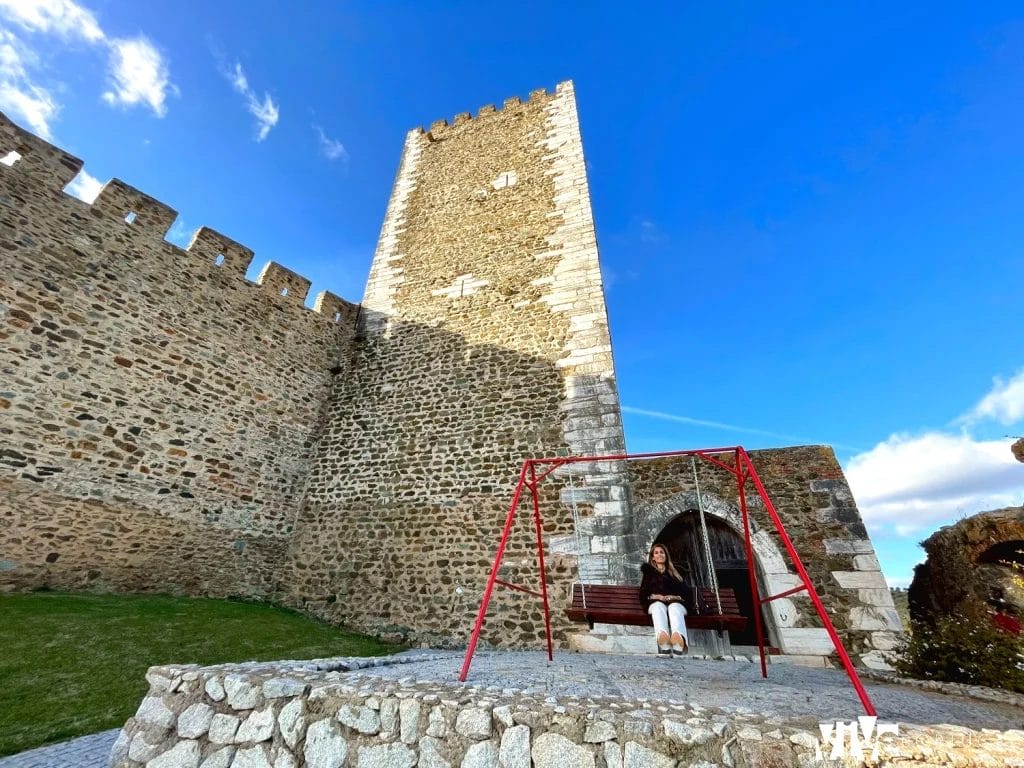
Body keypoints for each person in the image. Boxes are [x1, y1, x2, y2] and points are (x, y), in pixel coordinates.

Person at [639, 542, 689, 656]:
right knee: (658, 607)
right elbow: (642, 594)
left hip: (676, 603)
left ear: (666, 555)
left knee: (674, 608)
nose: (659, 554)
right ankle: (663, 640)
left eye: (662, 552)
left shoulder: (675, 572)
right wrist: (654, 596)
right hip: (655, 603)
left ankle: (678, 640)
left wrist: (674, 597)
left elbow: (686, 593)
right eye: (656, 553)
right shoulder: (649, 573)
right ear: (653, 557)